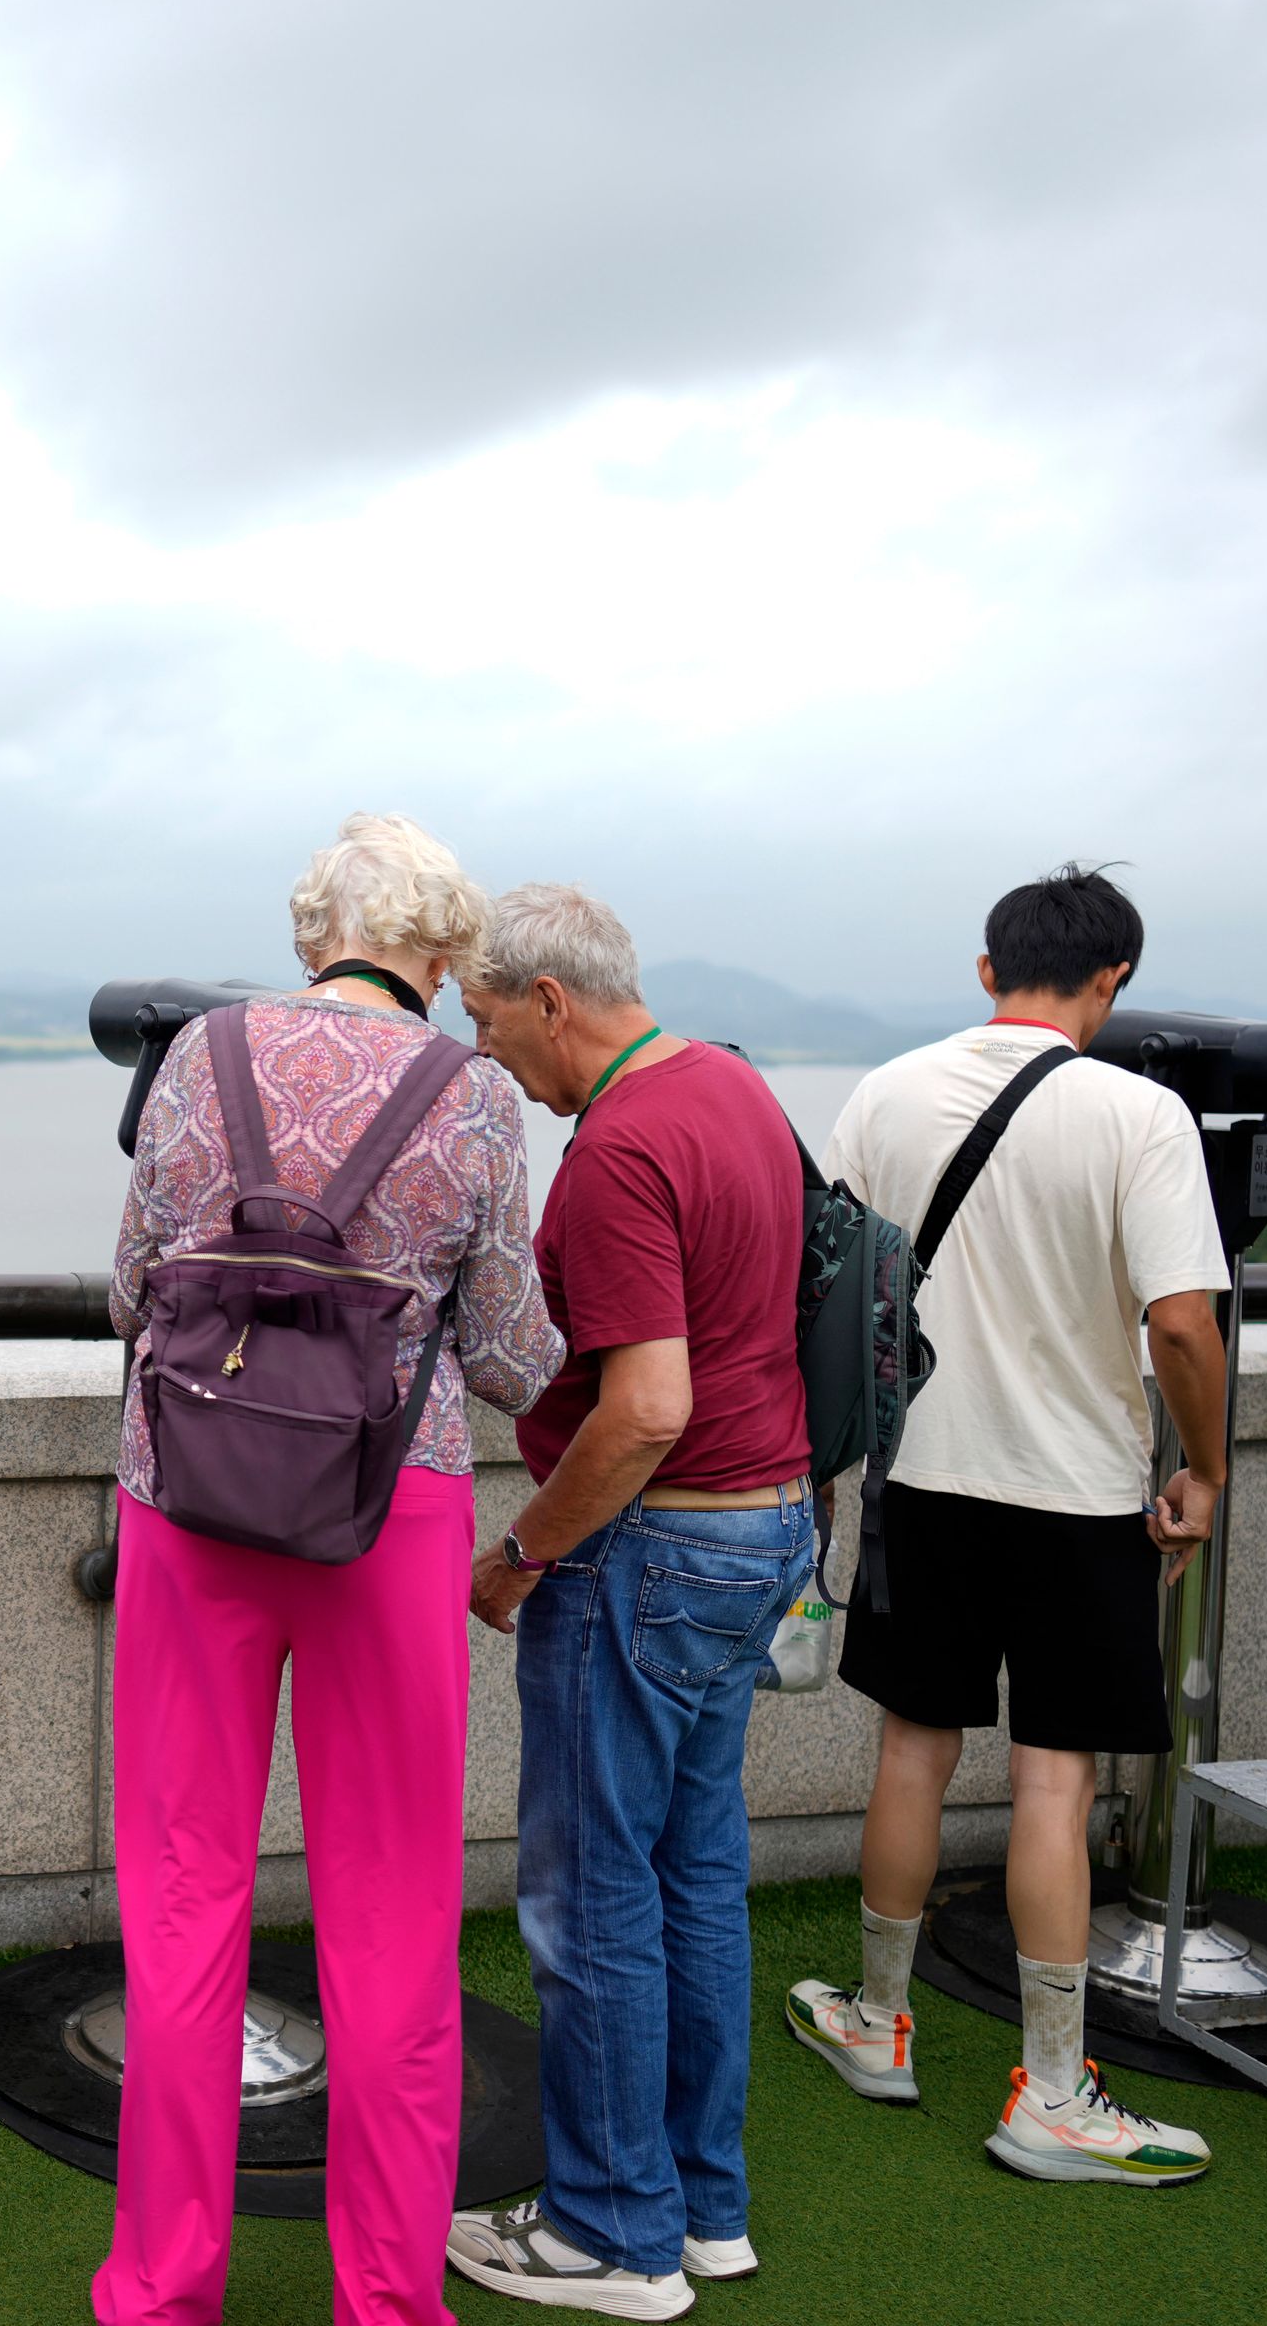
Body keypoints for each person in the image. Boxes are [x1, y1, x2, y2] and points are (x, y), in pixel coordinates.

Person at [96, 814, 560, 2326]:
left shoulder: (198, 1058)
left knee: (179, 1902)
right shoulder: (480, 1098)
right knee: (394, 1920)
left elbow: (130, 1289)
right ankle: (385, 2300)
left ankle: (163, 2285)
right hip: (388, 1517)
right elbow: (504, 1361)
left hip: (192, 1497)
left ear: (315, 937)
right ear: (443, 952)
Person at [782, 865, 1233, 2188]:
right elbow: (1182, 1324)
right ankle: (1049, 2091)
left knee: (913, 1752)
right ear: (1114, 982)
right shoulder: (1139, 1118)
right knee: (1053, 1780)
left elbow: (828, 1273)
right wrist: (1202, 1467)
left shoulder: (885, 1093)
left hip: (922, 1477)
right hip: (1079, 1493)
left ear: (987, 971)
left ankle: (875, 2022)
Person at [443, 885, 814, 2320]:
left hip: (651, 1552)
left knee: (590, 1897)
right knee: (694, 1876)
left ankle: (611, 2236)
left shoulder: (617, 1152)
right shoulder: (731, 1085)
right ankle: (700, 2206)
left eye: (488, 1025)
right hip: (763, 1530)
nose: (490, 1061)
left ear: (550, 999)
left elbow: (647, 1404)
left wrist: (523, 1551)